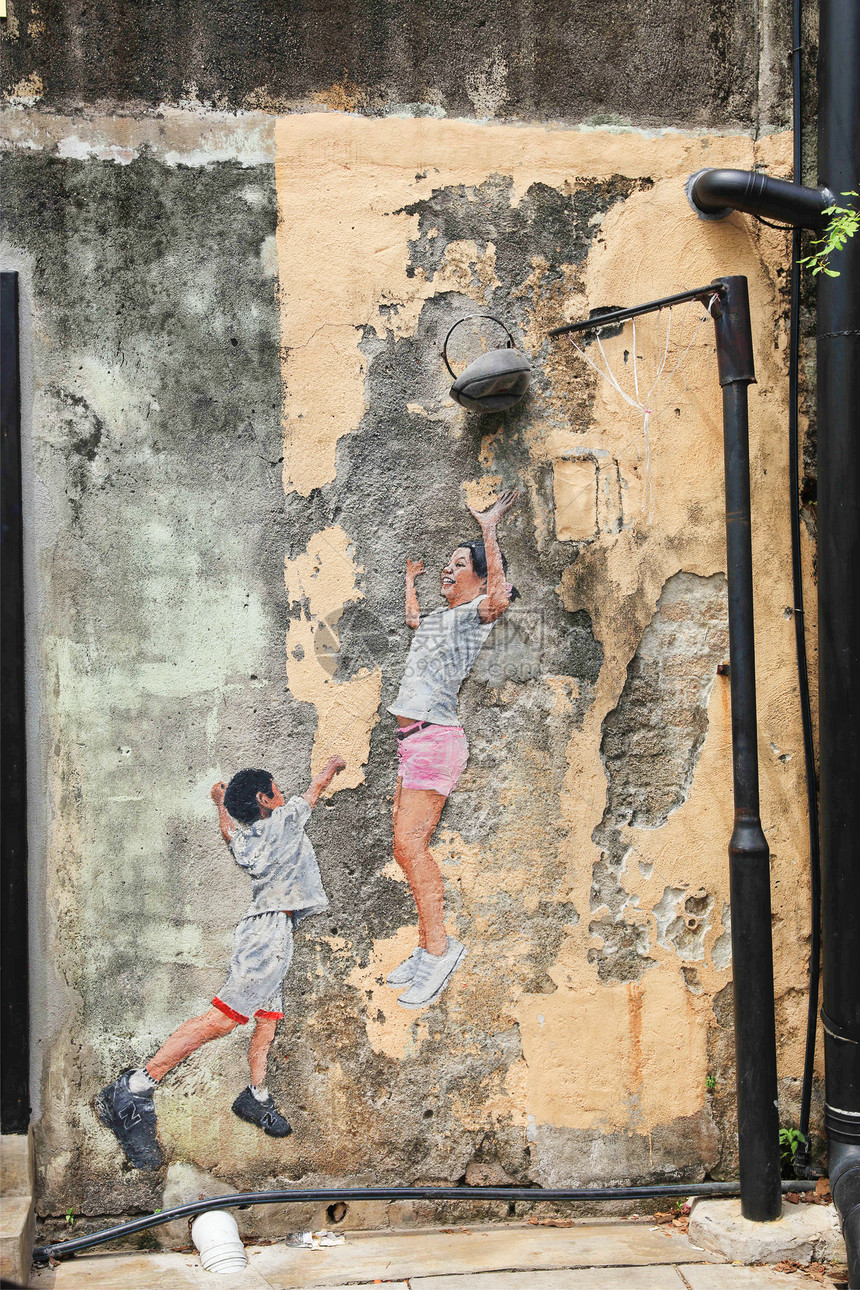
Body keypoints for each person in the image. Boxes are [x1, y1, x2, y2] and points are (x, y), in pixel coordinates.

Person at [95, 754, 346, 1170]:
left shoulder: (249, 840)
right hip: (268, 934)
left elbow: (230, 835)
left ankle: (255, 1095)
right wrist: (331, 766)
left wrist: (218, 804)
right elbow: (313, 791)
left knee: (267, 1019)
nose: (283, 795)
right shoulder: (283, 821)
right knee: (223, 1018)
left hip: (272, 930)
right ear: (266, 799)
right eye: (277, 790)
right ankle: (137, 1085)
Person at [387, 488, 519, 1010]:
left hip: (434, 741)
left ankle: (440, 950)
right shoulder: (441, 618)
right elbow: (414, 621)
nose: (449, 569)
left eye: (459, 565)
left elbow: (501, 599)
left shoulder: (472, 616)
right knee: (404, 847)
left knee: (410, 846)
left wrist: (488, 530)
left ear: (480, 577)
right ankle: (426, 948)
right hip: (412, 743)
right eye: (448, 563)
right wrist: (410, 583)